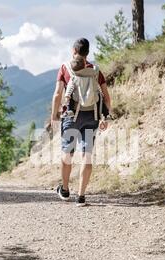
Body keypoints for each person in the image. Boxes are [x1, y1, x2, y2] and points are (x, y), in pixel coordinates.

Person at [51, 38, 112, 207]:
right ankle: (81, 196)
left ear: (73, 51)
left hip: (71, 117)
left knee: (67, 153)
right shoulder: (96, 70)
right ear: (88, 52)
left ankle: (64, 189)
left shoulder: (65, 67)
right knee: (87, 154)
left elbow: (57, 94)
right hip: (91, 116)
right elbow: (106, 97)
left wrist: (54, 116)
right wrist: (106, 117)